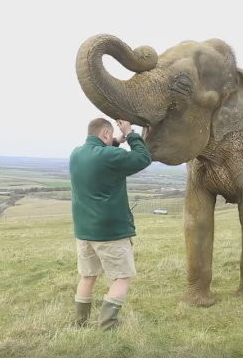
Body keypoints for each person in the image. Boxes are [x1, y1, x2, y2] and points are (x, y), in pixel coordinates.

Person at [69, 117, 152, 330]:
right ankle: (108, 327)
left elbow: (101, 154)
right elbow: (142, 158)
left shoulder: (76, 154)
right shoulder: (109, 157)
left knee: (88, 276)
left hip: (84, 232)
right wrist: (131, 133)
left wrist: (116, 140)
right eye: (110, 135)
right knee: (122, 277)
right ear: (105, 133)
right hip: (110, 232)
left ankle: (80, 323)